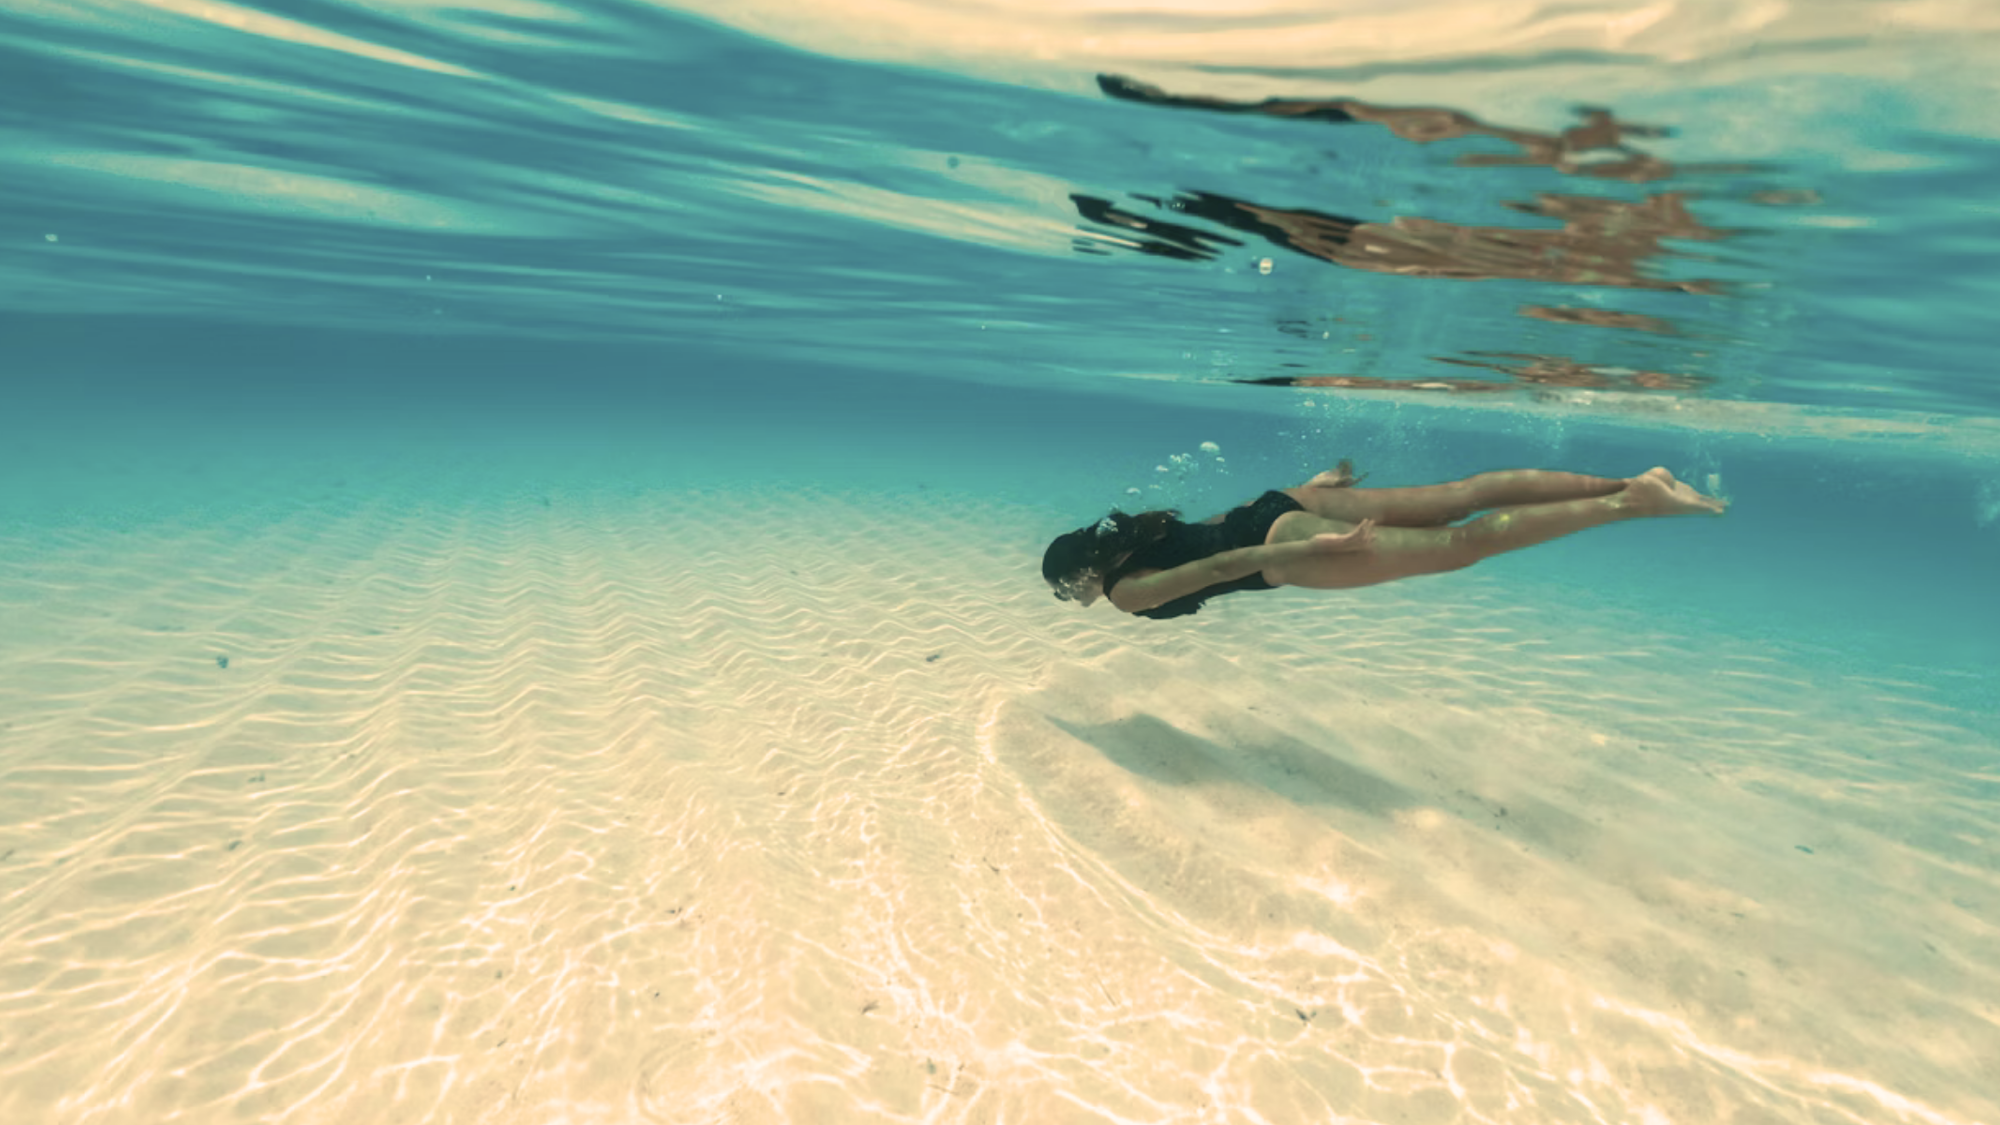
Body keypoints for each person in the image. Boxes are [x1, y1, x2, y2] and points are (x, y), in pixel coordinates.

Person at [1042, 463, 1725, 619]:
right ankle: (1638, 481)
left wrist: (1314, 551)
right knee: (1468, 494)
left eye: (1067, 587)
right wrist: (1302, 492)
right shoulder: (1143, 533)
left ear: (1087, 569)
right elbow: (1219, 529)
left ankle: (1631, 502)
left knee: (1464, 543)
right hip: (1283, 503)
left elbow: (1229, 561)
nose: (1074, 597)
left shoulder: (1126, 592)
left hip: (1287, 542)